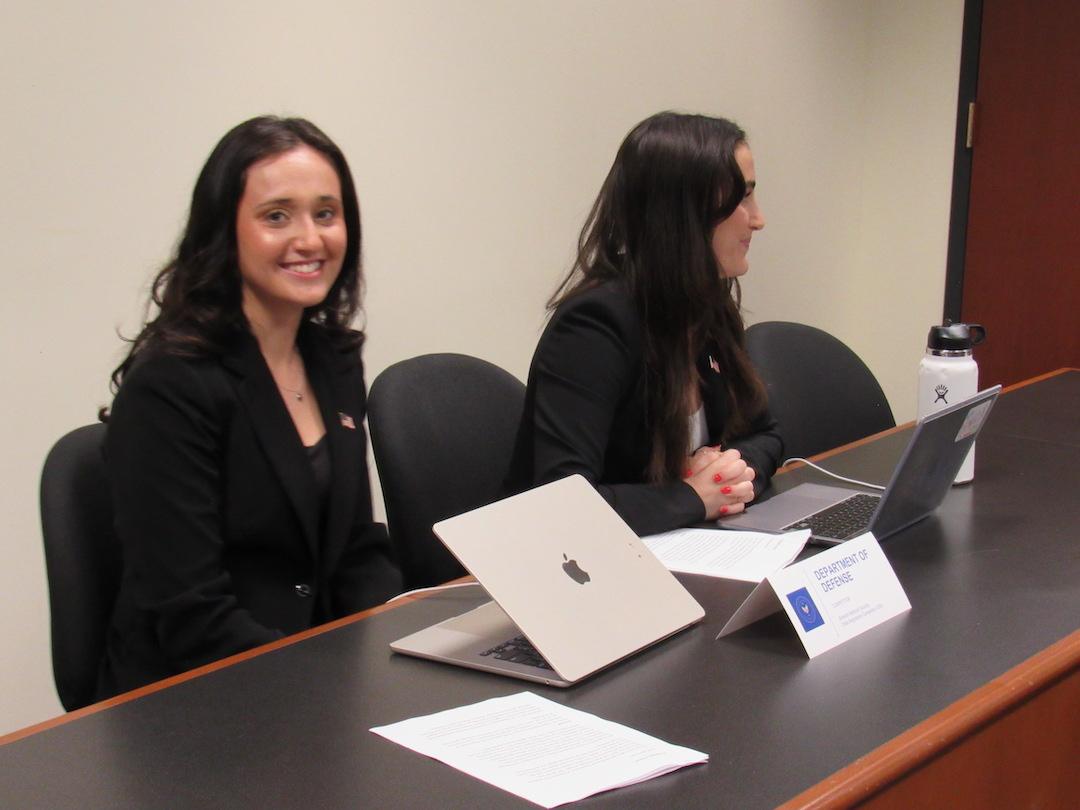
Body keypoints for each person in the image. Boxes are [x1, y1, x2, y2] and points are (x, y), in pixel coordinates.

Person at [97, 117, 402, 699]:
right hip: (192, 702)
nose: (310, 239)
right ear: (225, 231)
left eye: (326, 213)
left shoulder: (332, 359)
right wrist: (325, 690)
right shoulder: (171, 385)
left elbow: (356, 549)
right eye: (276, 216)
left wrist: (406, 649)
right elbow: (192, 616)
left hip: (312, 679)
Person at [505, 111, 783, 537]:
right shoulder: (594, 326)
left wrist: (729, 474)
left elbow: (766, 434)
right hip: (571, 571)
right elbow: (563, 502)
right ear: (684, 215)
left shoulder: (708, 307)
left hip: (673, 549)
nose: (758, 218)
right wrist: (693, 495)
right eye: (742, 199)